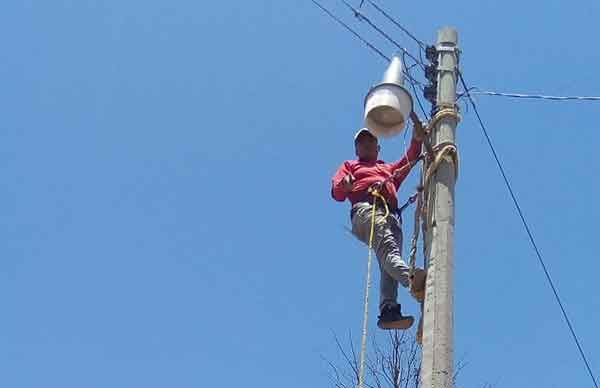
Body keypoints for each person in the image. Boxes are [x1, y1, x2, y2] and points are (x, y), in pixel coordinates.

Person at [331, 112, 426, 330]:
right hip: (367, 211)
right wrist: (345, 185)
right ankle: (414, 280)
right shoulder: (351, 166)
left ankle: (389, 310)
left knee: (387, 264)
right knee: (390, 253)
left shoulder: (387, 169)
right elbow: (336, 192)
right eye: (361, 142)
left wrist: (417, 139)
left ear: (378, 147)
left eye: (370, 140)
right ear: (356, 149)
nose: (365, 144)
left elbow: (410, 159)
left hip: (391, 216)